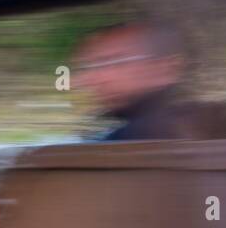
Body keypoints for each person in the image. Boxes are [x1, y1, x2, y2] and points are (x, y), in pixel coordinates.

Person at [72, 20, 206, 141]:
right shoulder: (194, 126)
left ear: (165, 68)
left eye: (110, 62)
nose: (90, 80)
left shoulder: (134, 139)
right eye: (89, 67)